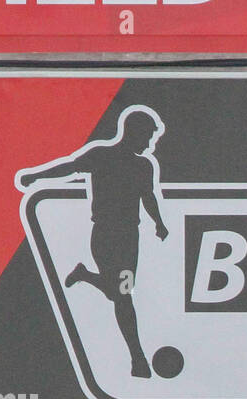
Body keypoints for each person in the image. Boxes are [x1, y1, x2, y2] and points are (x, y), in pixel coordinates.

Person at [17, 105, 169, 379]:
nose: (149, 144)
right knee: (122, 295)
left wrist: (159, 222)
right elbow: (70, 167)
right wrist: (36, 176)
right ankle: (138, 359)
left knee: (120, 293)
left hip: (129, 237)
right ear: (133, 132)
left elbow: (148, 197)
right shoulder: (102, 155)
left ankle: (85, 275)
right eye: (147, 136)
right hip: (105, 233)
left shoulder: (143, 166)